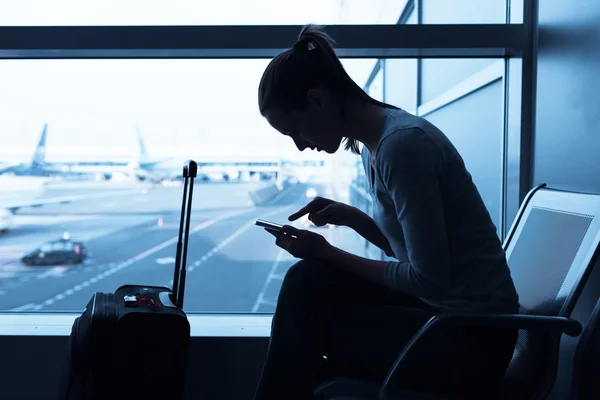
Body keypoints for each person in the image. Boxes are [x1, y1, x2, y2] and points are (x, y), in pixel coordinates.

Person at [254, 24, 520, 400]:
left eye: (295, 130)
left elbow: (429, 280)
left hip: (470, 342)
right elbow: (418, 259)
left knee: (306, 319)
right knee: (307, 286)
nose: (300, 146)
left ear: (317, 100)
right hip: (450, 319)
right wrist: (354, 219)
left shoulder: (402, 148)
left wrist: (326, 251)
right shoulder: (377, 144)